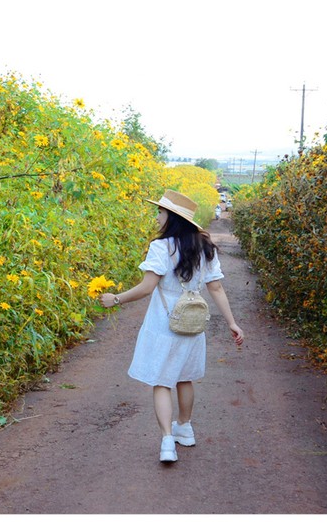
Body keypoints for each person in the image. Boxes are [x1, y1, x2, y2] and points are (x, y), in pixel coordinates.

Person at [99, 189, 244, 463]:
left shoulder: (161, 247)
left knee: (161, 381)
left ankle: (167, 441)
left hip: (163, 323)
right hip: (191, 321)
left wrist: (115, 299)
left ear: (172, 218)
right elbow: (216, 287)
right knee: (184, 377)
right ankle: (185, 428)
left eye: (160, 211)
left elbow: (147, 288)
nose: (157, 216)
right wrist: (232, 323)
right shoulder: (204, 247)